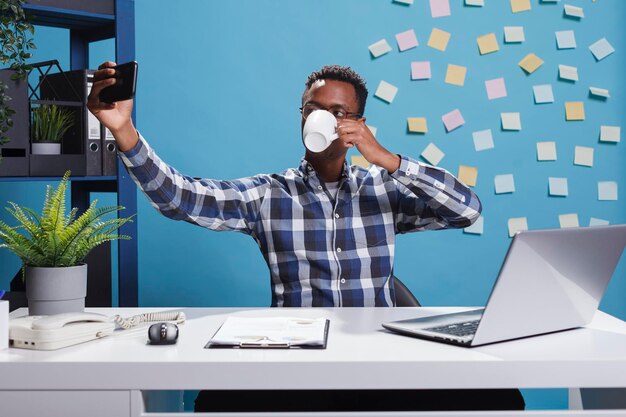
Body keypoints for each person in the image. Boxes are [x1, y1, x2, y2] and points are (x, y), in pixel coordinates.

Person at [88, 62, 524, 411]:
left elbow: (467, 210)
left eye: (338, 112)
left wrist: (388, 159)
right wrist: (122, 130)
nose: (322, 119)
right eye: (313, 109)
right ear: (302, 116)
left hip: (382, 364)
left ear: (358, 123)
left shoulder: (383, 190)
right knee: (214, 403)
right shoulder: (267, 194)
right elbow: (179, 198)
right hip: (297, 365)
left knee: (501, 398)